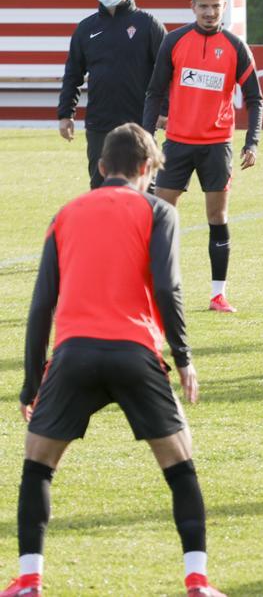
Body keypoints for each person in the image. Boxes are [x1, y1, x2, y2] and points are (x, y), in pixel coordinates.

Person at [4, 124, 224, 597]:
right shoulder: (159, 211)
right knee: (179, 466)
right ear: (147, 169)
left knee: (38, 467)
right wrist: (183, 356)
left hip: (73, 355)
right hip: (134, 354)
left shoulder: (66, 214)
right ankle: (197, 581)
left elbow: (42, 304)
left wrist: (30, 383)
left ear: (102, 167)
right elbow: (167, 288)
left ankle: (29, 579)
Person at [142, 0, 263, 314]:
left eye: (215, 7)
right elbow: (154, 92)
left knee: (217, 216)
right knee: (162, 216)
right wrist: (146, 136)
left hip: (216, 146)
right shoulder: (175, 41)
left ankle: (217, 294)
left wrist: (252, 141)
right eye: (203, 6)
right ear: (192, 6)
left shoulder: (236, 46)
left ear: (224, 6)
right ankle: (157, 289)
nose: (210, 13)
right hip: (177, 143)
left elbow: (255, 98)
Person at [57, 0, 166, 189]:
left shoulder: (148, 24)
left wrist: (164, 110)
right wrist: (65, 114)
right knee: (100, 187)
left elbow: (168, 70)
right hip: (100, 124)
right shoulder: (86, 29)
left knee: (145, 188)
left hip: (140, 123)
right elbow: (72, 74)